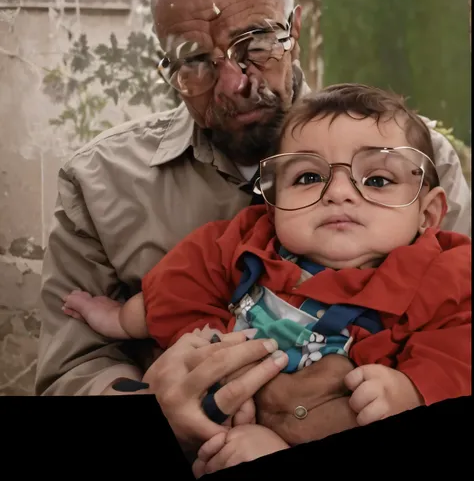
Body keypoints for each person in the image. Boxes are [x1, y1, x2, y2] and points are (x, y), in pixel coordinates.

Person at [36, 0, 471, 454]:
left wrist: (413, 391)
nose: (234, 84)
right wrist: (154, 407)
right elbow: (71, 370)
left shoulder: (417, 162)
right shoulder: (100, 182)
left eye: (257, 43)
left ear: (295, 30)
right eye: (194, 59)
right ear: (166, 69)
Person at [62, 83, 472, 476]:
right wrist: (125, 319)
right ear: (273, 205)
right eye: (309, 178)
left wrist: (413, 391)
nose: (339, 192)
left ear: (429, 214)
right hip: (235, 423)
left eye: (377, 180)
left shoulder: (443, 273)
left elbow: (459, 343)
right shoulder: (251, 241)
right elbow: (186, 277)